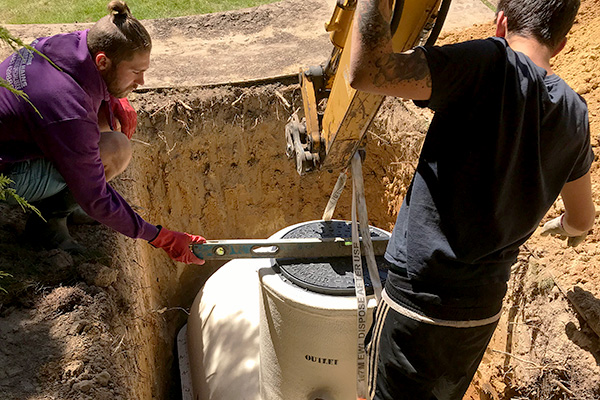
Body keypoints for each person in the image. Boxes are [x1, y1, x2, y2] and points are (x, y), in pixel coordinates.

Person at [349, 0, 595, 398]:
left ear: (501, 21)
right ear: (562, 43)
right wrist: (563, 226)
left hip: (418, 302)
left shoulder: (488, 62)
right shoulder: (575, 114)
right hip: (480, 313)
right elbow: (583, 219)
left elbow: (366, 71)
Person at [0, 0, 205, 265]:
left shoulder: (69, 43)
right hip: (5, 179)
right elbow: (96, 197)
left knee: (105, 123)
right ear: (103, 60)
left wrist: (117, 99)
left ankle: (64, 201)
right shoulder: (68, 111)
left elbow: (90, 81)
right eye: (135, 72)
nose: (141, 82)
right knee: (115, 149)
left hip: (14, 140)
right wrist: (160, 237)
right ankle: (47, 224)